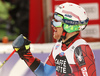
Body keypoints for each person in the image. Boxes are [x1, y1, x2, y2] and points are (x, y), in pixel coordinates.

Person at [12, 2, 96, 76]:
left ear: (69, 25)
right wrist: (26, 54)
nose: (53, 25)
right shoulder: (58, 47)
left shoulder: (81, 49)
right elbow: (44, 73)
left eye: (57, 21)